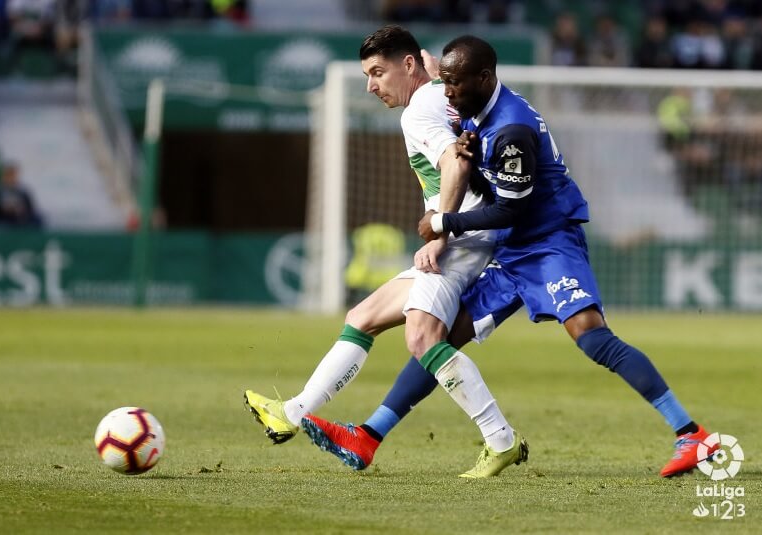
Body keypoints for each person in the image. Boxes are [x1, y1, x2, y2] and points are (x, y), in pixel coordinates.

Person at [306, 36, 717, 479]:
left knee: (592, 337)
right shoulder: (473, 103)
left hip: (546, 242)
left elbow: (511, 209)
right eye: (444, 83)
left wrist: (443, 224)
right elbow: (450, 94)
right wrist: (432, 72)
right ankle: (368, 436)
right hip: (509, 247)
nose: (448, 95)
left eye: (455, 85)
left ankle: (692, 433)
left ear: (484, 79)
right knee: (439, 340)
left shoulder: (512, 132)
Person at [244, 25, 528, 479]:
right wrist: (432, 68)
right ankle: (294, 412)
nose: (371, 85)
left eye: (377, 72)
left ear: (408, 65)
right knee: (364, 316)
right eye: (366, 75)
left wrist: (440, 233)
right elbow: (439, 81)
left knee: (422, 339)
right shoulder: (441, 91)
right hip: (478, 233)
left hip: (462, 241)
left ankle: (500, 438)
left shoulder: (418, 112)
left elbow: (455, 161)